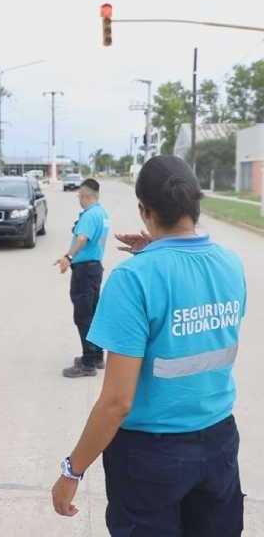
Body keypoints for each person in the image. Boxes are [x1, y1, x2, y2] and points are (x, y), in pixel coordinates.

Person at [51, 155, 247, 536]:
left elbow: (116, 402)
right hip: (219, 444)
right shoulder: (231, 264)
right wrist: (159, 250)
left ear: (144, 210)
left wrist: (72, 469)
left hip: (150, 458)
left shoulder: (133, 279)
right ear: (195, 205)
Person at [54, 178, 110, 378]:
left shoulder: (89, 215)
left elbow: (82, 238)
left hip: (85, 272)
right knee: (93, 314)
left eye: (79, 195)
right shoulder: (103, 214)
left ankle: (87, 363)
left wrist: (68, 257)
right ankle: (96, 356)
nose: (79, 199)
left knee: (83, 316)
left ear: (86, 196)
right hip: (94, 269)